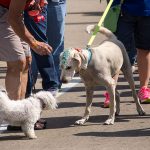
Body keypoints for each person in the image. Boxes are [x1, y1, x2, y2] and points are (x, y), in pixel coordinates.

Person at [0, 0, 52, 129]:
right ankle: (12, 117)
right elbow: (13, 18)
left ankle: (21, 116)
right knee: (17, 62)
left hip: (13, 13)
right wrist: (34, 43)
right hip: (5, 14)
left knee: (27, 60)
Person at [103, 0, 150, 108]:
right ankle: (111, 93)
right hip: (122, 9)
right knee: (116, 52)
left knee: (145, 49)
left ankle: (144, 89)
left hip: (147, 9)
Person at [24, 0, 59, 98]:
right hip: (8, 8)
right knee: (20, 50)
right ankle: (25, 88)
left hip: (33, 5)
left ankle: (50, 85)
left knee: (39, 42)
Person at [46, 0, 66, 89]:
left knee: (56, 45)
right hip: (32, 5)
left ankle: (54, 82)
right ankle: (28, 85)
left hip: (55, 3)